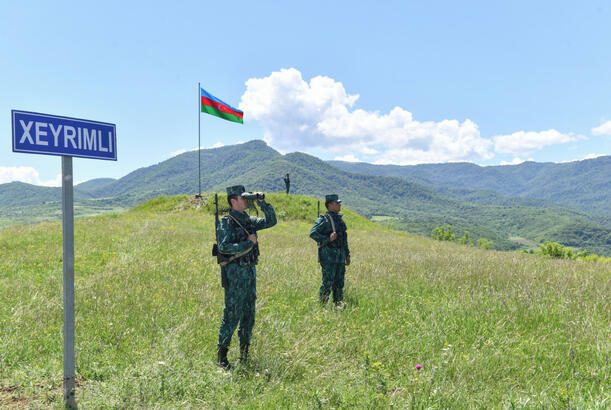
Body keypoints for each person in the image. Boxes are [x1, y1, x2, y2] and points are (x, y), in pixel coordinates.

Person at [216, 185, 276, 369]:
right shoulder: (226, 222)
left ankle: (244, 354)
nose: (246, 201)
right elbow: (223, 247)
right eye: (243, 198)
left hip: (250, 273)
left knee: (249, 314)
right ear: (233, 201)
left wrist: (263, 203)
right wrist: (246, 243)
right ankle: (222, 357)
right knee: (232, 313)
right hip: (235, 274)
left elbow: (271, 221)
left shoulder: (249, 220)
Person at [309, 194, 350, 305]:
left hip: (340, 256)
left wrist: (347, 255)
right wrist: (328, 239)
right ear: (330, 205)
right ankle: (323, 305)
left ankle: (338, 304)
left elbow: (344, 239)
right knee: (327, 282)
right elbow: (313, 233)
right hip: (328, 256)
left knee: (339, 282)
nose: (339, 204)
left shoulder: (340, 219)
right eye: (337, 203)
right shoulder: (324, 219)